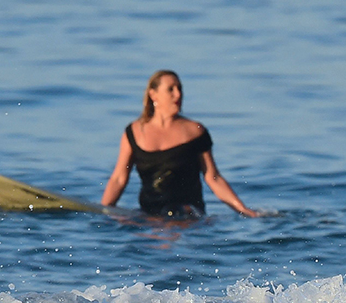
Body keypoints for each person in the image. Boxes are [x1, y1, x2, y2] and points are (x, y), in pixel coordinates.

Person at [102, 70, 258, 218]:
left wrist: (242, 209)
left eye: (180, 88)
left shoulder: (195, 131)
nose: (178, 94)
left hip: (188, 212)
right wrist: (103, 211)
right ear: (153, 95)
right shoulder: (134, 132)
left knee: (173, 212)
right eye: (170, 89)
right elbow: (119, 178)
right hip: (149, 214)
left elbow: (213, 177)